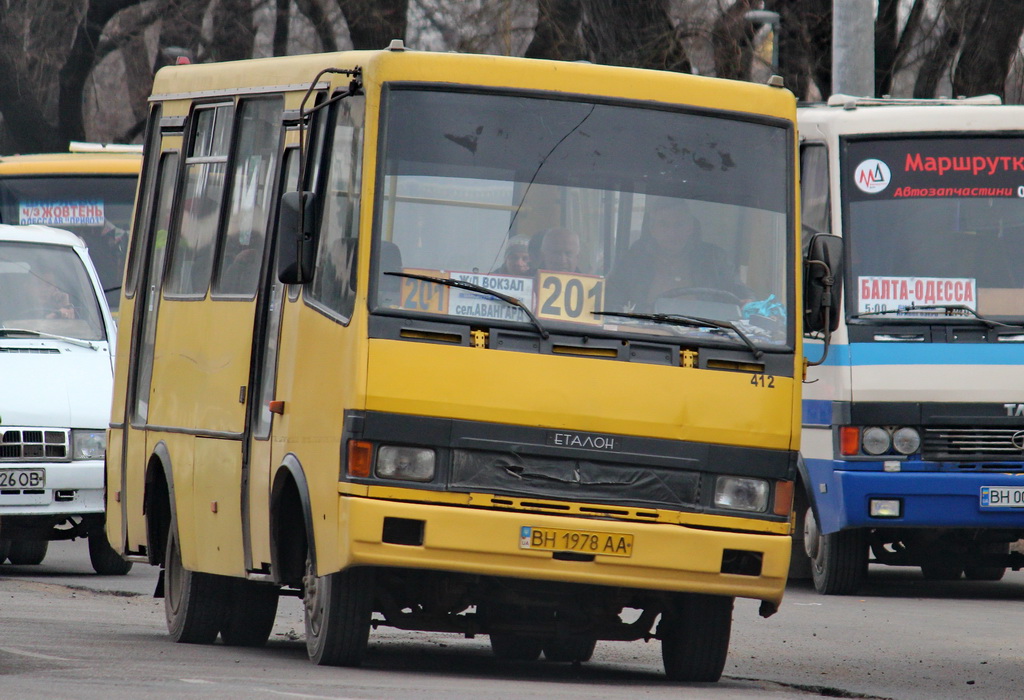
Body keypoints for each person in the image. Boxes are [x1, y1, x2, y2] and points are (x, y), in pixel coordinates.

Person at [606, 197, 745, 311]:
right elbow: (611, 298)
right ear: (652, 229)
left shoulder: (715, 259)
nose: (672, 233)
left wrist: (748, 303)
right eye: (664, 224)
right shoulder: (634, 260)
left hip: (703, 337)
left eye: (679, 224)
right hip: (642, 335)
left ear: (690, 227)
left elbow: (740, 294)